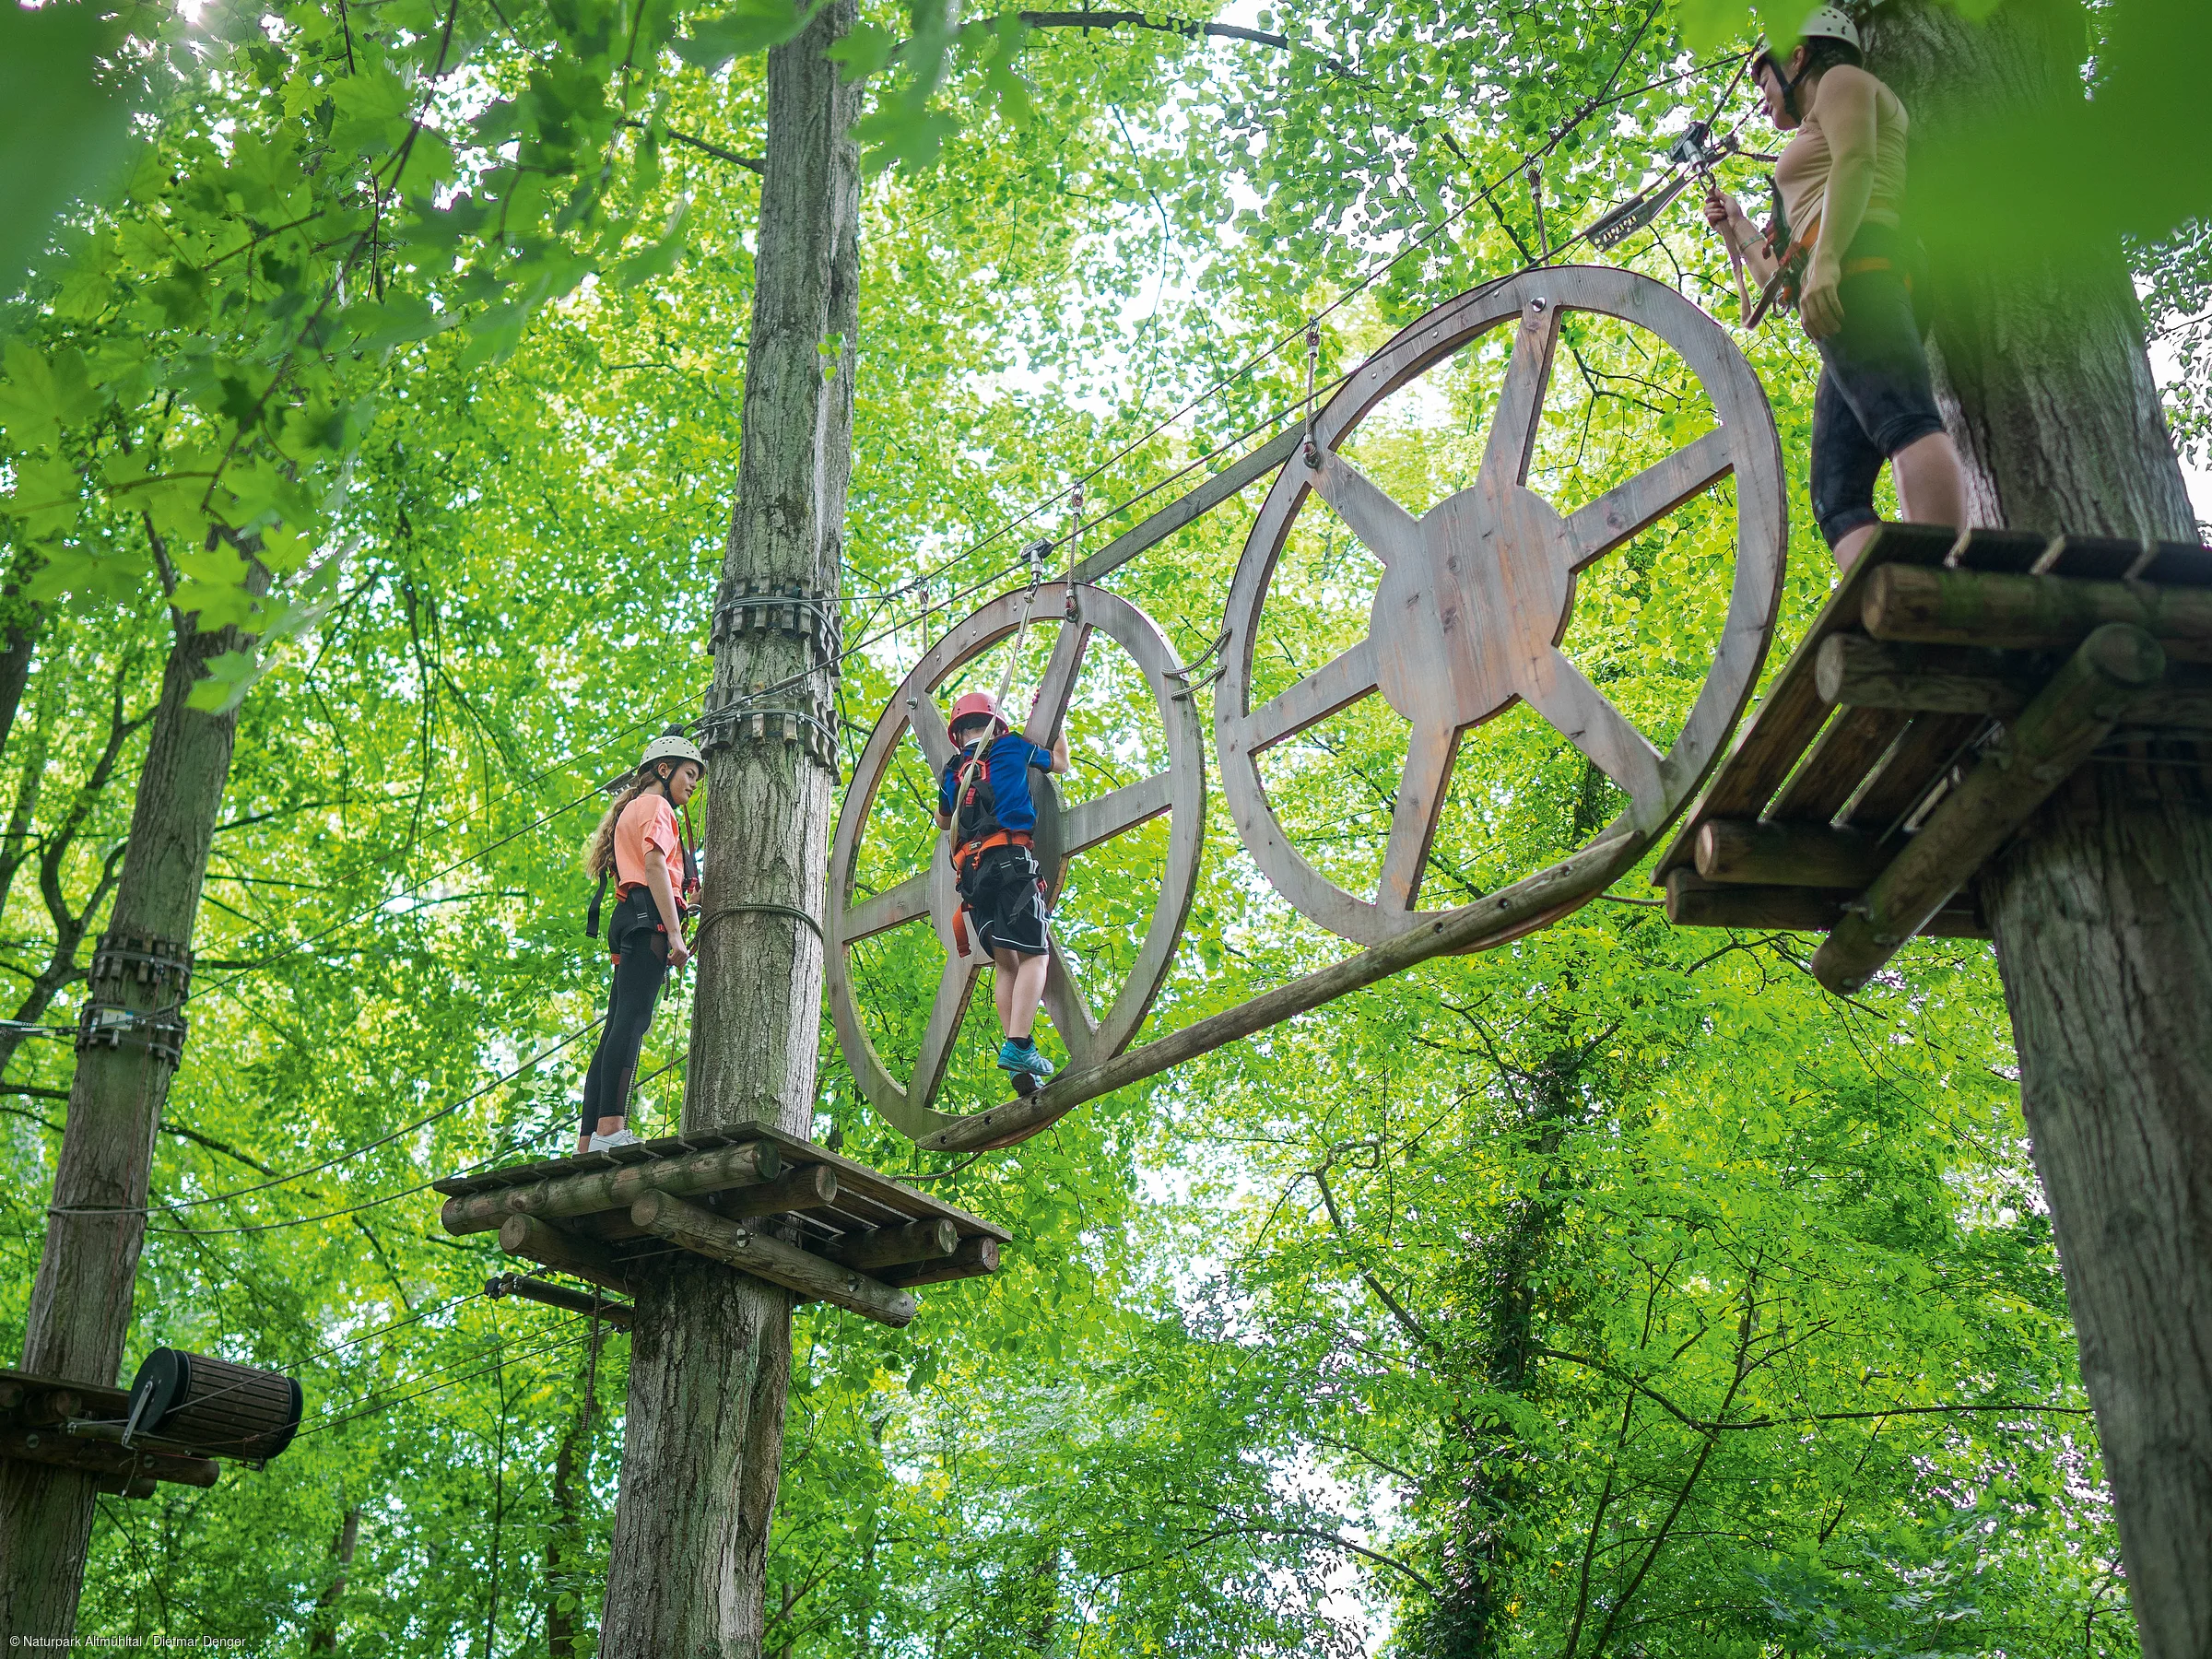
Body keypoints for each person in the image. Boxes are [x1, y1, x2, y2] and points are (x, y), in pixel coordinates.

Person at [1700, 4, 1968, 571]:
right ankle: (1896, 594)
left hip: (1862, 267)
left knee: (1904, 419)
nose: (1762, 94)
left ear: (1798, 57)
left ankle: (1946, 583)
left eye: (1763, 76)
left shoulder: (1842, 81)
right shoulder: (1814, 134)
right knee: (1835, 495)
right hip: (1841, 277)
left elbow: (1858, 161)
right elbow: (1779, 282)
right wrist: (1742, 228)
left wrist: (1827, 264)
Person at [575, 731, 703, 1152]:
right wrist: (678, 934)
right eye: (689, 774)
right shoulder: (657, 806)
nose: (693, 784)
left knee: (617, 1023)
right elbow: (652, 865)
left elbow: (655, 868)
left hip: (632, 915)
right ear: (663, 770)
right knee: (631, 1022)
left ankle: (588, 1138)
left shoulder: (634, 808)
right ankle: (610, 1131)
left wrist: (686, 899)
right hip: (649, 920)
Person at [936, 689, 1071, 1089]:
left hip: (973, 880)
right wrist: (1055, 721)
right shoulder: (1011, 747)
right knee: (1035, 956)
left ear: (958, 736)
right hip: (1011, 862)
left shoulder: (951, 771)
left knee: (1006, 964)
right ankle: (1019, 1044)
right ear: (995, 724)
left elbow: (946, 822)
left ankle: (1019, 1068)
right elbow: (1060, 763)